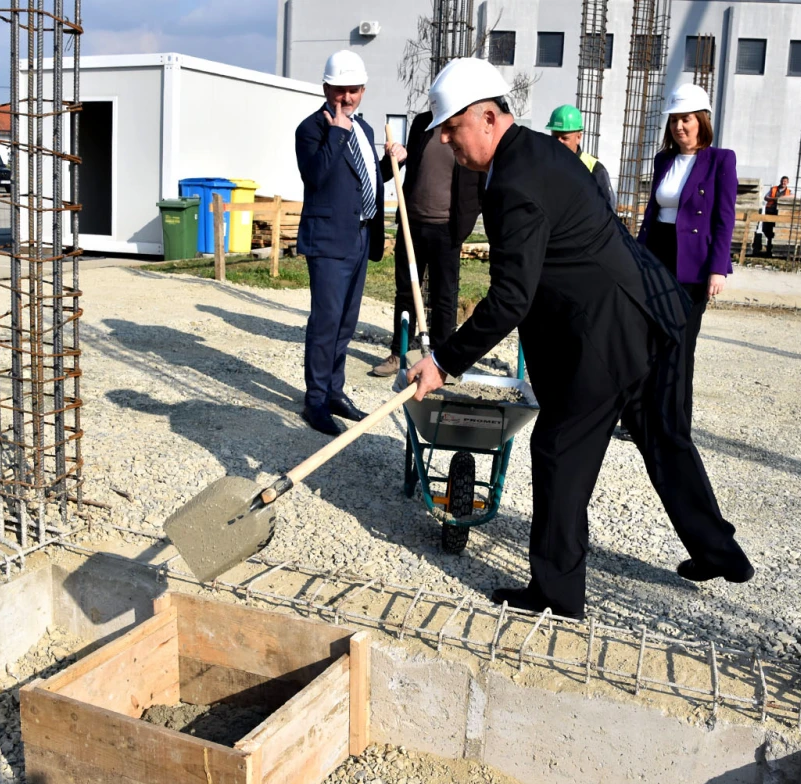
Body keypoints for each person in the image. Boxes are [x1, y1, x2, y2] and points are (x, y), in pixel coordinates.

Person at [406, 60, 754, 619]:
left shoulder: (514, 182)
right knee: (663, 438)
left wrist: (443, 361)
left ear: (489, 118)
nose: (445, 140)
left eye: (452, 128)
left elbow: (511, 298)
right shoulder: (538, 153)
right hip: (649, 310)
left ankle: (556, 593)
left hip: (609, 331)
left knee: (559, 449)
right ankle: (722, 554)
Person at [295, 50, 407, 436]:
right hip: (329, 240)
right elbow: (317, 177)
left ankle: (334, 391)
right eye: (340, 89)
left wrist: (394, 163)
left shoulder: (365, 129)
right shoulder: (311, 129)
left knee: (346, 321)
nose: (347, 97)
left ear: (363, 90)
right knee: (326, 321)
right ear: (326, 88)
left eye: (354, 90)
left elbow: (364, 179)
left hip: (360, 235)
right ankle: (315, 400)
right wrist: (337, 132)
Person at [637, 83, 737, 428]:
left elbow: (725, 219)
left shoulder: (720, 160)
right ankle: (645, 418)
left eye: (686, 119)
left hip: (693, 263)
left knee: (680, 343)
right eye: (674, 120)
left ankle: (676, 424)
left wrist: (718, 268)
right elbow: (652, 213)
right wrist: (637, 257)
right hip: (657, 255)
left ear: (702, 121)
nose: (679, 126)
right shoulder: (663, 159)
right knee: (651, 338)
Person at [370, 109, 485, 378]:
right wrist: (399, 155)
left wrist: (466, 222)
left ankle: (442, 362)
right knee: (406, 292)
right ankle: (399, 352)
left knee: (444, 296)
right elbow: (401, 165)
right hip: (411, 225)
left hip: (447, 230)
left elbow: (480, 182)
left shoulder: (469, 126)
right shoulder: (423, 122)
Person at [544, 104, 617, 210]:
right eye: (555, 137)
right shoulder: (543, 163)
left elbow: (608, 210)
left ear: (578, 137)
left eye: (564, 138)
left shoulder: (594, 169)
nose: (558, 142)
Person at [761, 175, 790, 256]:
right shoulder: (773, 189)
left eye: (785, 181)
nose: (783, 183)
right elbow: (766, 197)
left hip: (780, 213)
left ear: (787, 182)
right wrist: (775, 199)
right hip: (770, 211)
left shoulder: (789, 191)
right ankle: (769, 248)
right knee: (767, 229)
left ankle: (772, 249)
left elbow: (792, 197)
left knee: (776, 231)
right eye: (782, 181)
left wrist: (782, 198)